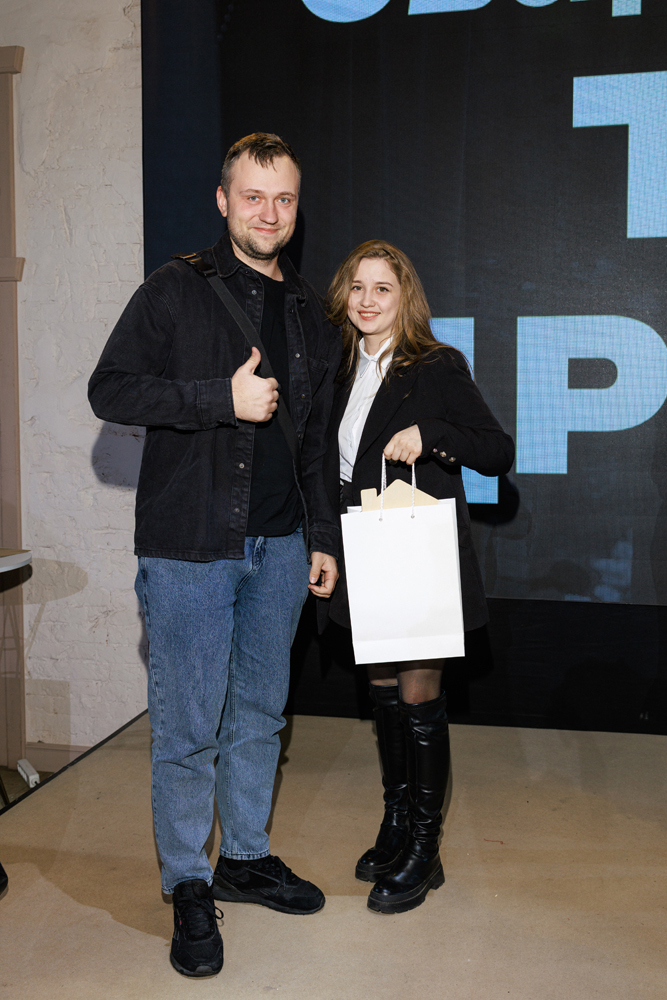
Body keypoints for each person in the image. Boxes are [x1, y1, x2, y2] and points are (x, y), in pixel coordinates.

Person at [88, 133, 341, 978]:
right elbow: (109, 388)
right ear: (224, 200)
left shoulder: (309, 311)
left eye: (284, 199)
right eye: (253, 196)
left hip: (281, 548)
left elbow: (314, 443)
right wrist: (218, 399)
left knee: (260, 716)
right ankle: (189, 884)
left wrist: (320, 537)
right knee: (188, 728)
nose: (269, 213)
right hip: (189, 546)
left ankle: (245, 857)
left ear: (295, 209)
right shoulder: (174, 288)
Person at [318, 240, 514, 915]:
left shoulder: (434, 364)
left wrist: (430, 433)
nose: (367, 300)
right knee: (379, 693)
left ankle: (425, 850)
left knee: (416, 694)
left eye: (383, 288)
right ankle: (397, 822)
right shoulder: (337, 367)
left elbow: (496, 450)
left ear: (406, 298)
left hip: (413, 553)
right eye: (357, 287)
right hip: (360, 547)